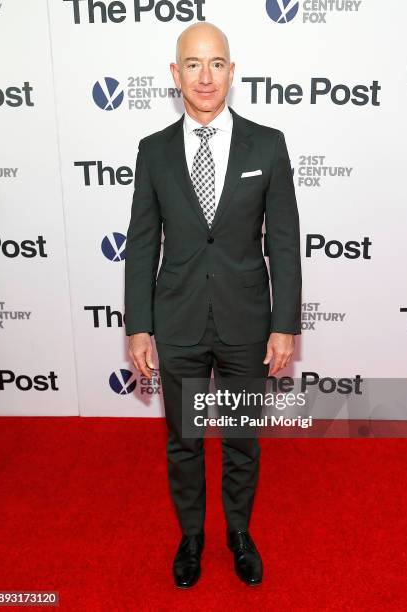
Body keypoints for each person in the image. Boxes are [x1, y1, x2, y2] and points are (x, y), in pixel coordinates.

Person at [125, 21, 302, 588]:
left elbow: (282, 241)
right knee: (184, 441)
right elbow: (142, 243)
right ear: (175, 74)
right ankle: (192, 537)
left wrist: (284, 323)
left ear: (232, 70)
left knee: (242, 438)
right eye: (193, 65)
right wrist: (138, 326)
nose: (206, 77)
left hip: (246, 323)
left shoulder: (267, 144)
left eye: (217, 63)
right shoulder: (152, 152)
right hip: (175, 322)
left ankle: (239, 534)